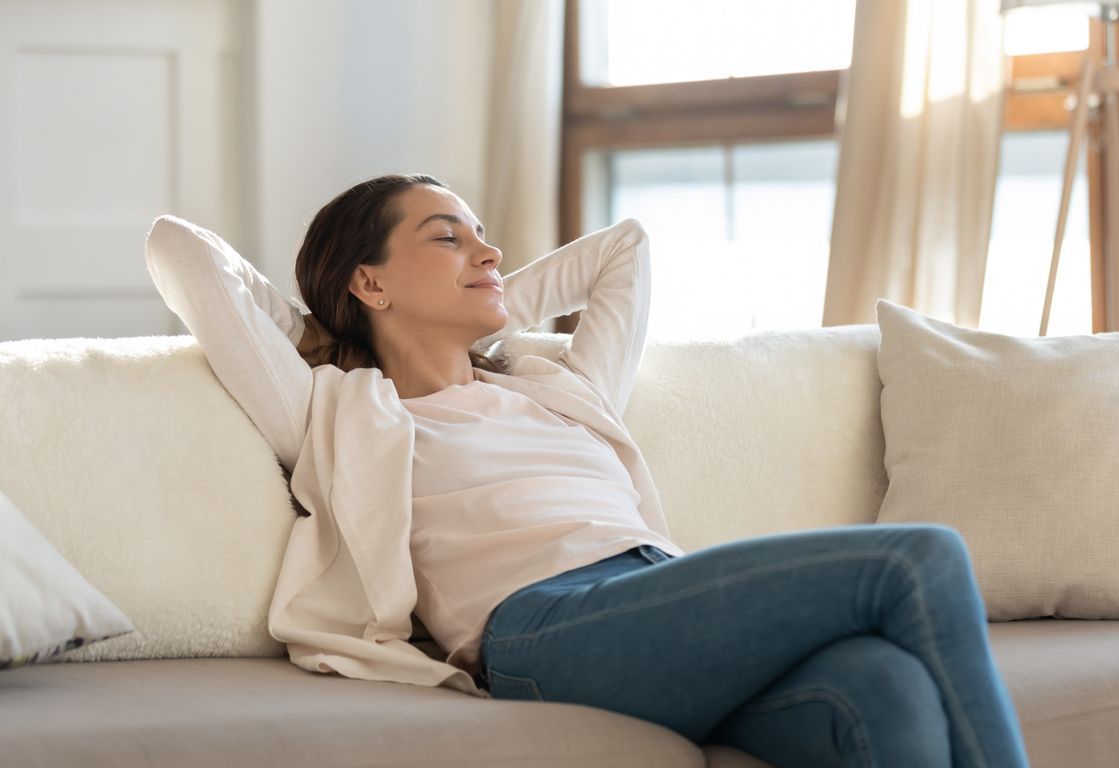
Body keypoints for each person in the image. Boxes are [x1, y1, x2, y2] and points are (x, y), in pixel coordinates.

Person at [146, 173, 1030, 768]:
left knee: (886, 688)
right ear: (369, 284)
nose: (489, 254)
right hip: (543, 630)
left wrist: (480, 304)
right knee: (917, 559)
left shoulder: (559, 386)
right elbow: (179, 249)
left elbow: (626, 248)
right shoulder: (337, 409)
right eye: (448, 239)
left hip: (656, 595)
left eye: (486, 241)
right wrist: (333, 329)